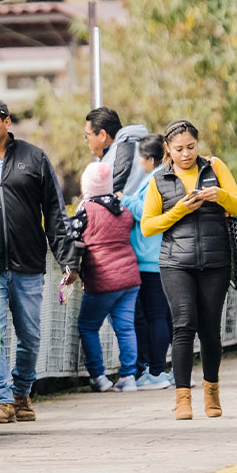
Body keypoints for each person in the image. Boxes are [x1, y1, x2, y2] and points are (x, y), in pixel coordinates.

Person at [0, 96, 78, 424]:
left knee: (31, 334)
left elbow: (54, 211)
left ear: (7, 123)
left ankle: (22, 391)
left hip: (27, 262)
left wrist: (68, 259)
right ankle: (3, 399)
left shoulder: (34, 158)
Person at [141, 120, 237, 420]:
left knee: (210, 329)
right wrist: (179, 210)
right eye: (178, 149)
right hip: (176, 263)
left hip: (215, 262)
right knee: (183, 324)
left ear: (197, 145)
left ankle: (212, 392)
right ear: (168, 150)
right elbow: (148, 226)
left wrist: (219, 196)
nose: (185, 154)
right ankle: (182, 397)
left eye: (191, 147)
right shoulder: (159, 180)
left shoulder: (215, 168)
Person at [68, 162, 141, 392]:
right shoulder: (123, 209)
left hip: (102, 280)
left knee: (88, 326)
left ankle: (98, 377)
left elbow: (69, 234)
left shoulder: (86, 210)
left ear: (86, 185)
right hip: (129, 278)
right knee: (126, 327)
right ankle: (129, 377)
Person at [120, 134, 174, 390]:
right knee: (164, 316)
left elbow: (146, 211)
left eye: (140, 159)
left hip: (150, 259)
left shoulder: (155, 178)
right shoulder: (169, 176)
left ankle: (155, 372)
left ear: (149, 159)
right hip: (162, 256)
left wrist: (124, 199)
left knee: (155, 316)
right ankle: (166, 370)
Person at [84, 107, 150, 196]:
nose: (86, 140)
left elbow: (106, 200)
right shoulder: (144, 146)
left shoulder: (116, 158)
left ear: (102, 135)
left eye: (87, 135)